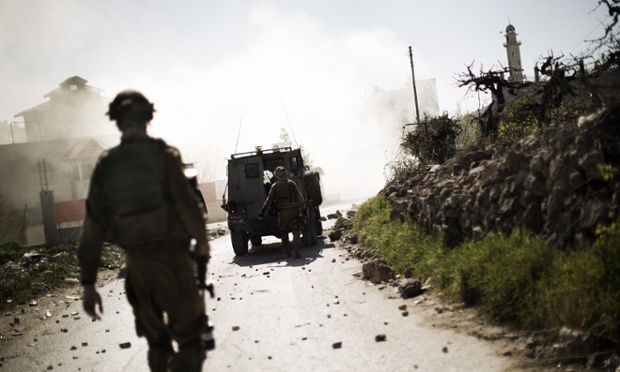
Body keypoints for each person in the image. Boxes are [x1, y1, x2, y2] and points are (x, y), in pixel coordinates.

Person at [77, 90, 211, 372]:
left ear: (116, 121)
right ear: (148, 117)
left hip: (137, 267)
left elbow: (92, 229)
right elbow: (188, 206)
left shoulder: (106, 165)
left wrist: (88, 284)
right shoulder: (165, 156)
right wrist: (201, 242)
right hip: (174, 261)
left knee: (157, 343)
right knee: (190, 341)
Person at [258, 166, 306, 259]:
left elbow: (269, 200)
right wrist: (303, 210)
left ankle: (287, 251)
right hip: (293, 210)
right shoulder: (292, 184)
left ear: (276, 175)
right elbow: (300, 198)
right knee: (296, 230)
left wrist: (262, 212)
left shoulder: (275, 186)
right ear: (285, 174)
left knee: (284, 232)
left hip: (283, 212)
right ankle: (297, 250)